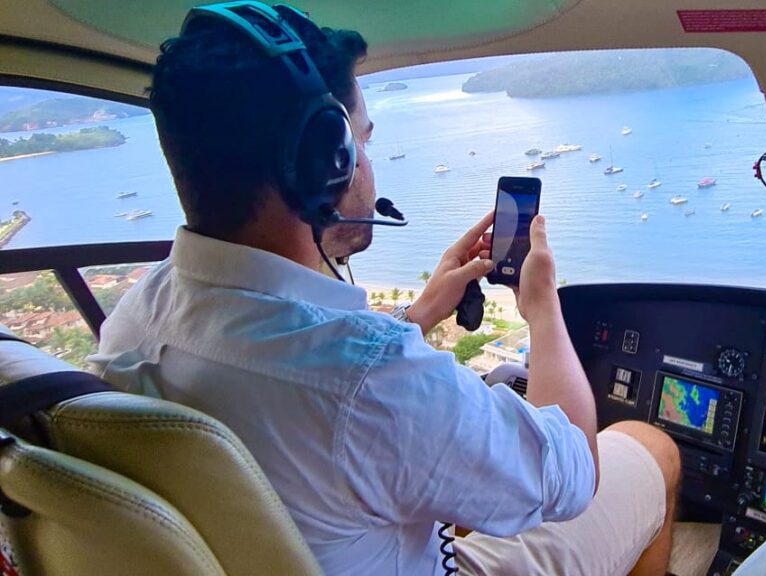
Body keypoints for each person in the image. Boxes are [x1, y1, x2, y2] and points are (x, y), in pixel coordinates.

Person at [89, 3, 681, 575]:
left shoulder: (140, 315)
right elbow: (576, 470)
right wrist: (542, 308)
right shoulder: (375, 383)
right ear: (325, 163)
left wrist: (418, 314)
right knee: (648, 445)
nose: (367, 163)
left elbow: (312, 392)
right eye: (362, 143)